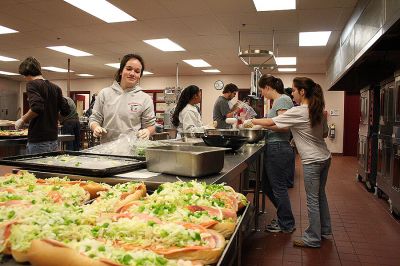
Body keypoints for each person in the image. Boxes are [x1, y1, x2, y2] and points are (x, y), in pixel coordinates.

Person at [245, 77, 331, 248]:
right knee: (320, 196)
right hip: (325, 158)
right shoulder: (318, 110)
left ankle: (313, 238)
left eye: (293, 90)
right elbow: (324, 134)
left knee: (312, 200)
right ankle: (324, 230)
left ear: (302, 92)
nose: (291, 94)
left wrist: (252, 121)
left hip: (312, 160)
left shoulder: (300, 111)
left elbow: (271, 122)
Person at [257, 75, 296, 234]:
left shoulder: (282, 100)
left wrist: (258, 124)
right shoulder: (279, 102)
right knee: (267, 185)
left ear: (267, 87)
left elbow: (284, 127)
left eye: (261, 90)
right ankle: (283, 217)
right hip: (274, 147)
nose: (261, 93)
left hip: (278, 148)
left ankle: (286, 223)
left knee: (278, 187)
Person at [89, 54, 156, 143]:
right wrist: (96, 127)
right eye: (128, 69)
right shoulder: (104, 94)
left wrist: (148, 131)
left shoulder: (145, 99)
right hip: (107, 149)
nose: (132, 73)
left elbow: (151, 125)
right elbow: (94, 119)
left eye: (137, 71)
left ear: (140, 75)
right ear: (121, 71)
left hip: (132, 150)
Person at [15, 57, 70, 154]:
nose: (24, 78)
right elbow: (66, 110)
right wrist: (52, 118)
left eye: (24, 75)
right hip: (53, 139)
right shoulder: (55, 87)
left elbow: (37, 107)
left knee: (35, 169)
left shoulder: (32, 84)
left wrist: (22, 119)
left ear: (27, 73)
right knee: (48, 168)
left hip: (38, 140)